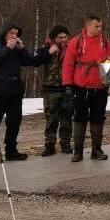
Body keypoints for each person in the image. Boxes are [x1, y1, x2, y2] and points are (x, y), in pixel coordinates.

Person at [0, 21, 46, 164]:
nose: (14, 36)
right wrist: (8, 48)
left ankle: (11, 151)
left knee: (14, 122)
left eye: (16, 34)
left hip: (14, 91)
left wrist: (22, 49)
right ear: (4, 33)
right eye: (11, 33)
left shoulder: (17, 48)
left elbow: (29, 62)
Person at [62, 15, 110, 162]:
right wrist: (68, 85)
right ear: (88, 26)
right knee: (79, 118)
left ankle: (96, 150)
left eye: (101, 26)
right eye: (96, 26)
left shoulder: (105, 42)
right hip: (81, 86)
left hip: (99, 87)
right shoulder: (76, 41)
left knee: (98, 118)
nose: (100, 29)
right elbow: (68, 64)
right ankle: (78, 151)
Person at [39, 25, 73, 157]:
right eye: (60, 37)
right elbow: (35, 61)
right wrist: (48, 53)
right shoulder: (46, 48)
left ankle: (65, 143)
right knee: (51, 119)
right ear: (54, 38)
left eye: (65, 37)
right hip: (50, 89)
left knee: (66, 117)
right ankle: (49, 145)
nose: (64, 39)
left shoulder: (71, 49)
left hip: (67, 88)